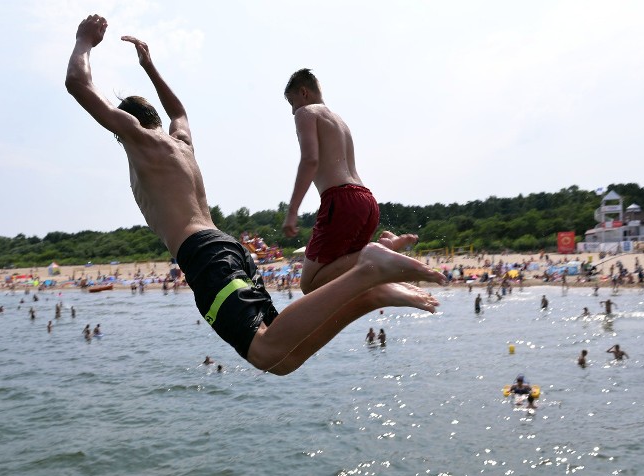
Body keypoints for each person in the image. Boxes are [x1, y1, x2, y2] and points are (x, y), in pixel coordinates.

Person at [66, 15, 445, 376]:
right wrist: (149, 66)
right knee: (284, 357)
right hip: (224, 247)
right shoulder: (180, 143)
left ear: (125, 126)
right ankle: (370, 294)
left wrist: (85, 41)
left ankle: (369, 269)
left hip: (203, 256)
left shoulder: (140, 142)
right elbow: (178, 110)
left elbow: (78, 85)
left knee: (265, 352)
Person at [282, 68, 418, 293]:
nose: (292, 110)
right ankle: (384, 246)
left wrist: (292, 211)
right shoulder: (339, 121)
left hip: (341, 200)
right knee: (346, 275)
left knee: (309, 284)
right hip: (366, 201)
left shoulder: (306, 113)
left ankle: (383, 247)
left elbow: (310, 160)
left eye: (291, 102)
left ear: (304, 93)